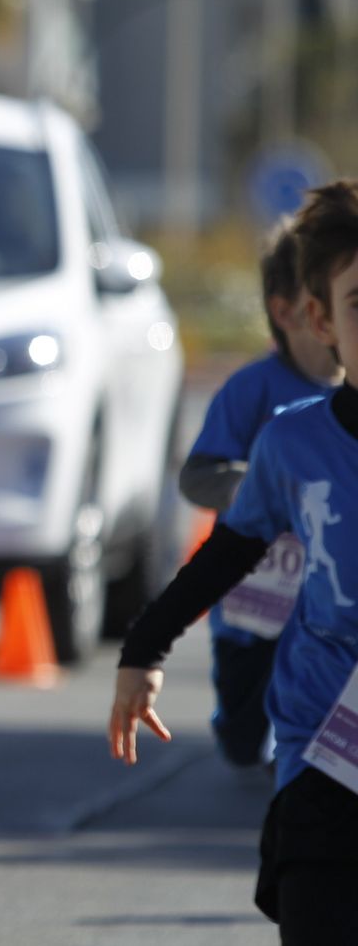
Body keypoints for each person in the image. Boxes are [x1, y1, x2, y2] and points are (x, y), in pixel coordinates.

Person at [109, 180, 358, 943]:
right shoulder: (294, 442)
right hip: (326, 742)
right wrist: (144, 646)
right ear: (322, 320)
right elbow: (227, 552)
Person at [179, 226, 342, 770]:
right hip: (256, 603)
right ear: (292, 312)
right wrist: (265, 486)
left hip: (332, 605)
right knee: (244, 738)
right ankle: (246, 728)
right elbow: (197, 477)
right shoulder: (251, 390)